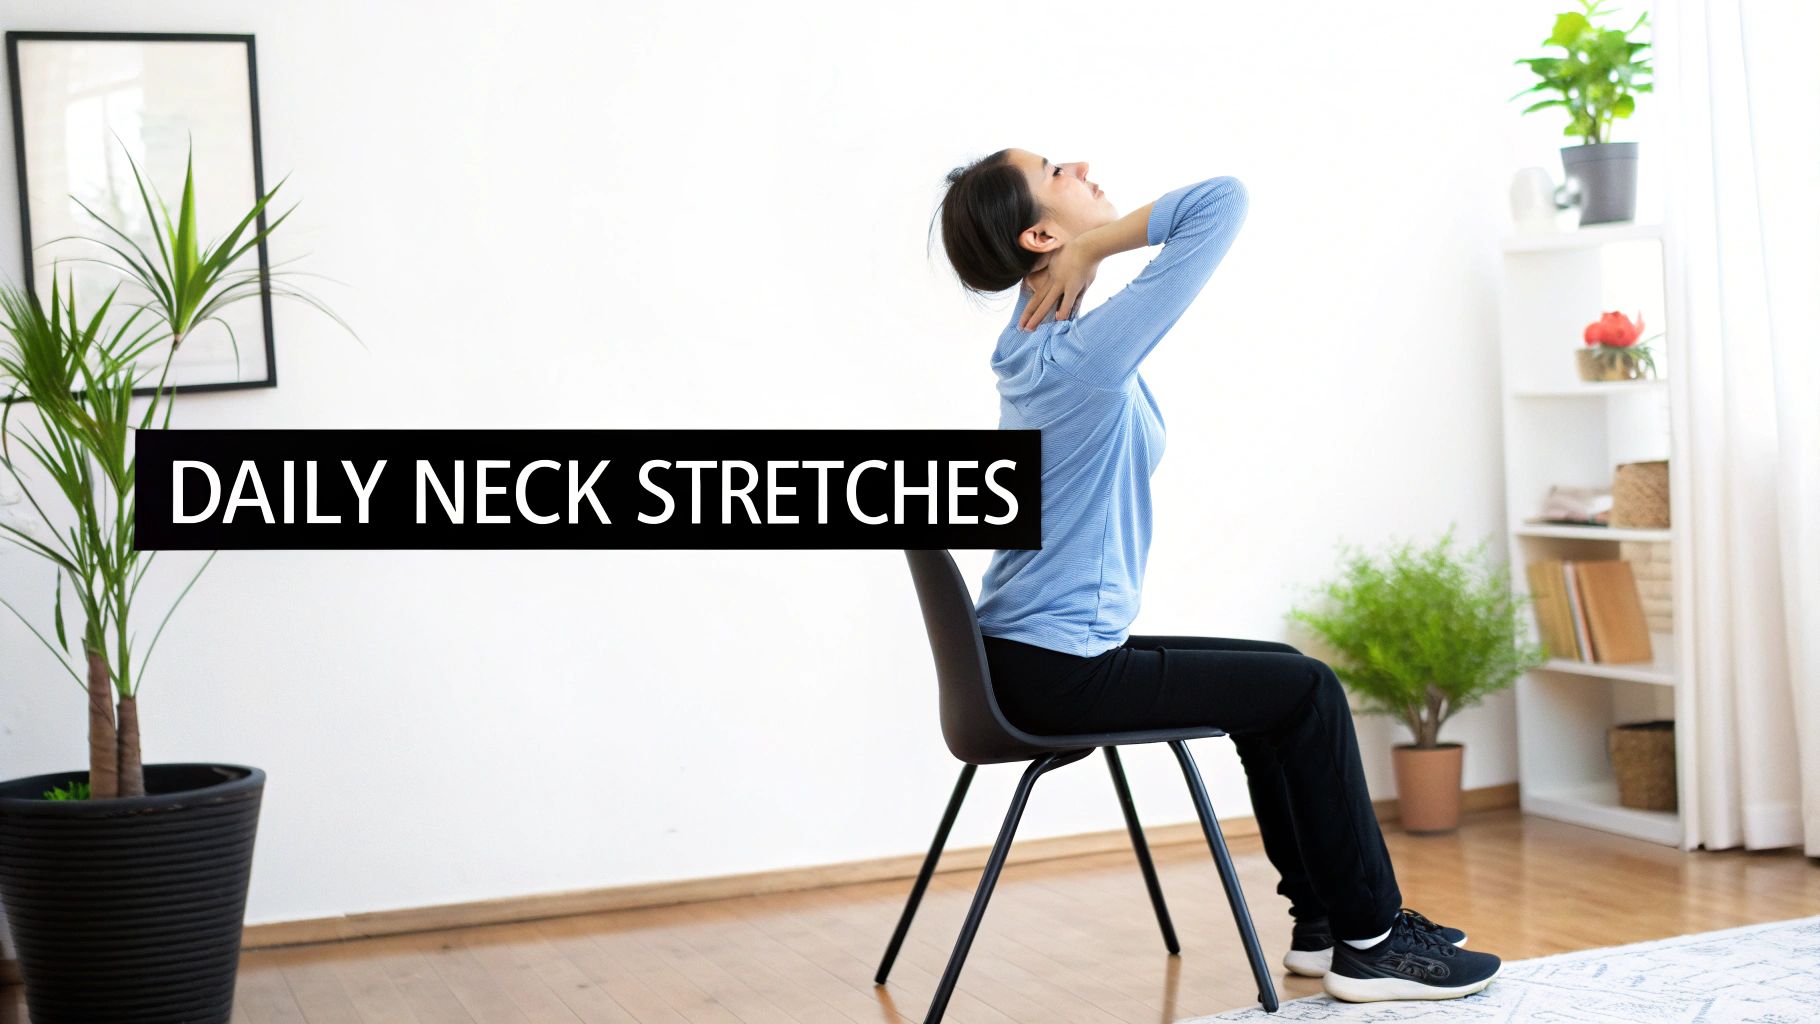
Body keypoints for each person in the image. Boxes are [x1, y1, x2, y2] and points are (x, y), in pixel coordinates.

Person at [930, 148, 1501, 1003]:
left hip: (1032, 655)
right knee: (1306, 692)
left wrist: (1081, 258)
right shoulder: (1076, 354)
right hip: (1058, 671)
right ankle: (1374, 943)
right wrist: (1099, 247)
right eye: (1055, 169)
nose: (1081, 163)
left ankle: (1324, 922)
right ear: (1043, 233)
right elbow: (1221, 203)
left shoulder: (1040, 338)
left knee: (1281, 679)